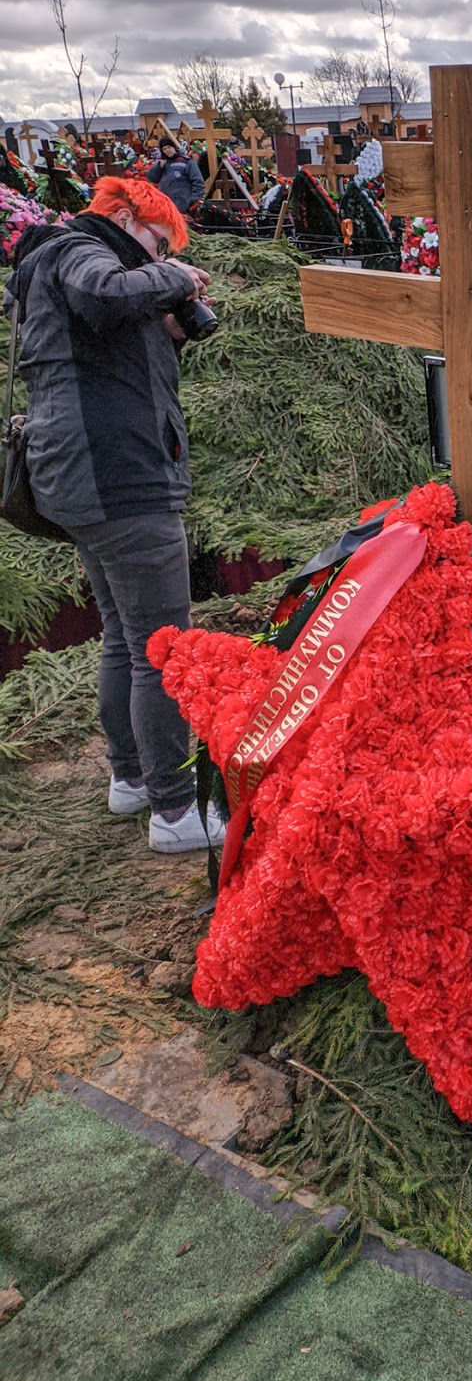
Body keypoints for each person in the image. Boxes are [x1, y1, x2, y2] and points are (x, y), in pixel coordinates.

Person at [5, 176, 226, 853]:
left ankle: (130, 779)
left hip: (87, 479)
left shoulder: (67, 261)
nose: (159, 261)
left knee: (126, 639)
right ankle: (174, 810)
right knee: (162, 649)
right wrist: (173, 276)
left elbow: (111, 352)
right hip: (119, 479)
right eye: (158, 244)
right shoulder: (82, 251)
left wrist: (165, 320)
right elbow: (104, 291)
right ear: (126, 218)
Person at [147, 137, 205, 214]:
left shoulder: (187, 162)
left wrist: (194, 200)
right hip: (166, 206)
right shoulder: (162, 163)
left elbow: (198, 181)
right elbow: (151, 178)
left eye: (169, 147)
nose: (167, 150)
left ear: (174, 148)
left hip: (183, 205)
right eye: (164, 149)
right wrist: (159, 167)